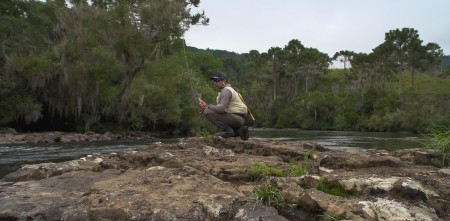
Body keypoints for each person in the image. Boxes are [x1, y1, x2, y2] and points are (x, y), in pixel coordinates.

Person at [198, 72, 249, 140]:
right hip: (239, 119)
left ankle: (226, 130)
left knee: (207, 112)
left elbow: (221, 109)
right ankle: (237, 131)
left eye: (217, 80)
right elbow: (221, 110)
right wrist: (206, 106)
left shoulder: (226, 91)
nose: (215, 83)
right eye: (214, 81)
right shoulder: (228, 90)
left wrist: (208, 107)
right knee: (207, 110)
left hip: (236, 118)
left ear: (224, 81)